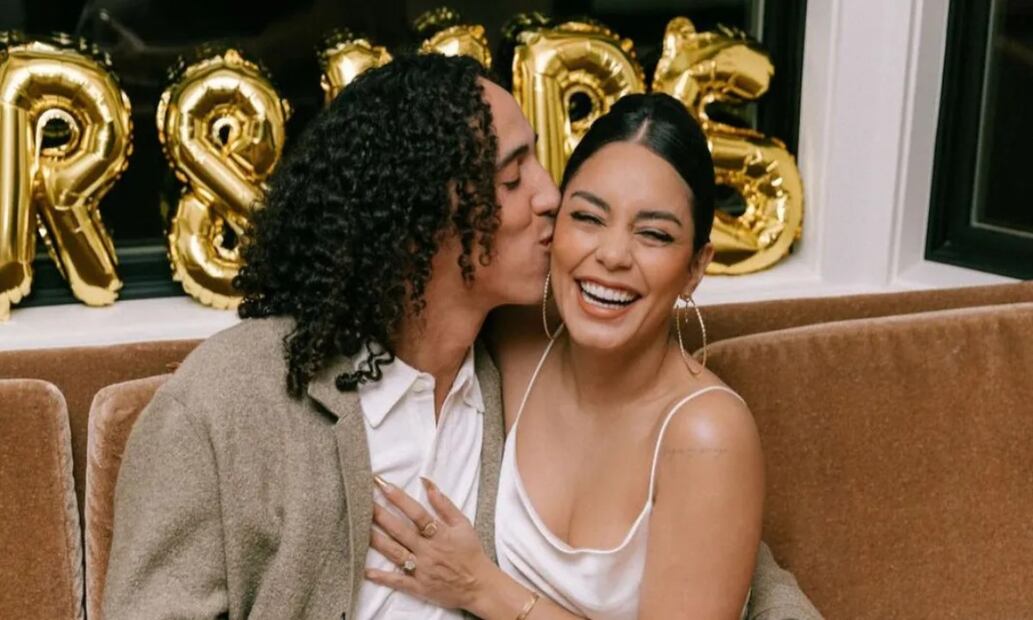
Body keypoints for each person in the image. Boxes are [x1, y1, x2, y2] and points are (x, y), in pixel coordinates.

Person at [102, 52, 560, 619]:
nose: (550, 195)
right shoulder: (222, 403)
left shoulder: (525, 378)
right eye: (512, 179)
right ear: (414, 219)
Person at [366, 93, 770, 619]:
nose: (612, 256)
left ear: (695, 268)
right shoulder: (514, 339)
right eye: (587, 217)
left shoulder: (707, 433)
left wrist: (481, 588)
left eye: (653, 234)